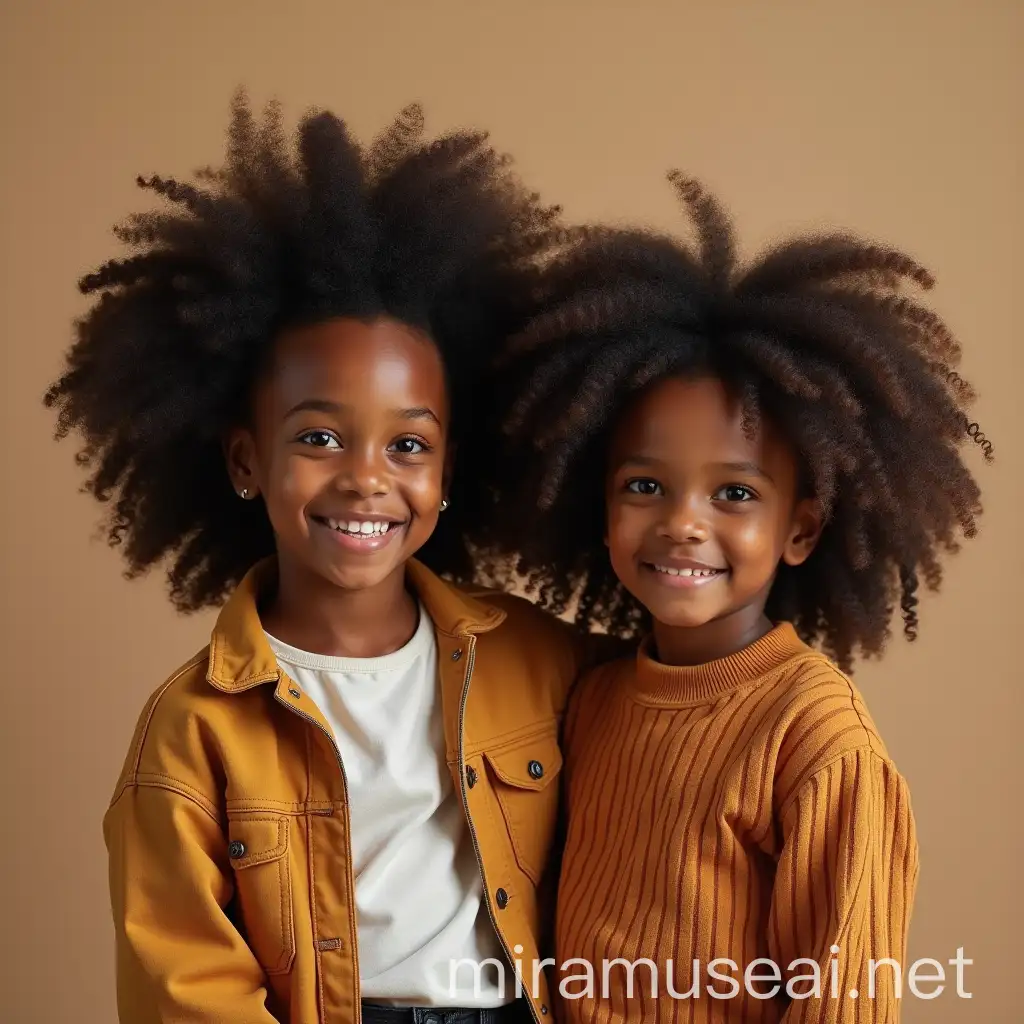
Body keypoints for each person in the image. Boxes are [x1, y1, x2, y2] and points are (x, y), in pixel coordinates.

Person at [45, 92, 590, 1024]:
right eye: (319, 439)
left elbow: (681, 727)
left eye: (408, 447)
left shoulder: (536, 659)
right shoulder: (193, 729)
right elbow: (186, 989)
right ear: (245, 459)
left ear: (450, 470)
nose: (367, 480)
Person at [484, 172, 989, 1022]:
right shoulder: (594, 698)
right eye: (645, 485)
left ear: (802, 530)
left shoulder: (814, 733)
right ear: (595, 502)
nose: (683, 524)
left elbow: (843, 1001)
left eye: (736, 494)